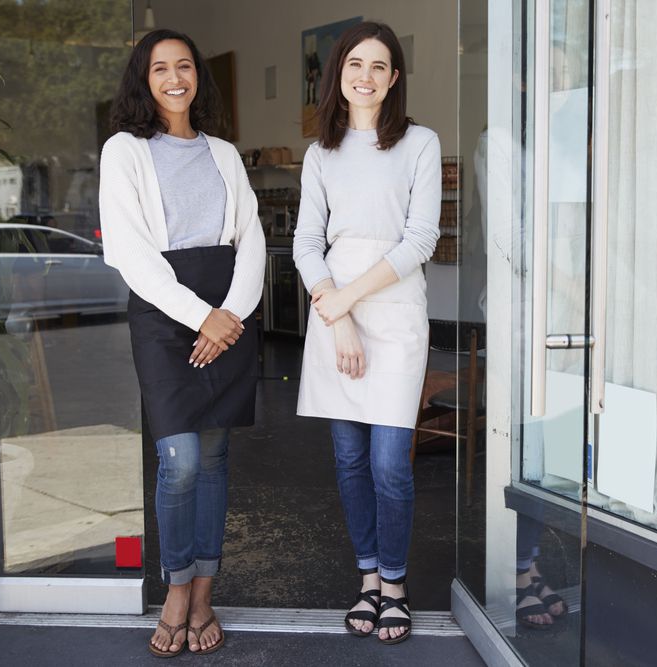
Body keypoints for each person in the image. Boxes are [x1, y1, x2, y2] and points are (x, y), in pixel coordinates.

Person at [98, 28, 265, 658]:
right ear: (143, 79)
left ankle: (203, 593)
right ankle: (175, 587)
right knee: (182, 460)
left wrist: (231, 315)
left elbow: (251, 237)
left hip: (229, 309)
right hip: (166, 314)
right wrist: (201, 318)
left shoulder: (223, 153)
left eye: (185, 66)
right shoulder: (124, 150)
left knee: (215, 458)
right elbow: (129, 251)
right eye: (161, 68)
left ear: (198, 76)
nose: (175, 78)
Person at [293, 21, 441, 645]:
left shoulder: (419, 144)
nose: (366, 75)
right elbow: (306, 243)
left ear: (394, 78)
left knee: (389, 463)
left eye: (379, 66)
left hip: (395, 311)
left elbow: (421, 238)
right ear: (339, 73)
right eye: (356, 63)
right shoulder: (320, 153)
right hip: (335, 317)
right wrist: (341, 317)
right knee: (350, 459)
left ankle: (396, 584)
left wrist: (348, 300)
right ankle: (369, 578)